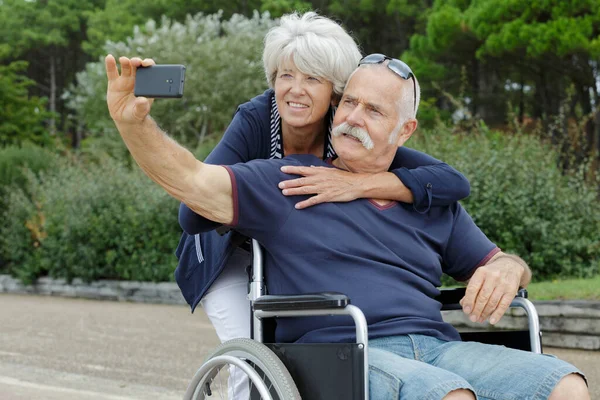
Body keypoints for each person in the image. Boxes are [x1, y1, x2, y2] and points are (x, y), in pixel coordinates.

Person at [105, 51, 589, 399]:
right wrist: (133, 125)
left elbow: (497, 258)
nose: (352, 117)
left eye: (373, 110)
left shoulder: (427, 197)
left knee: (566, 385)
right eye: (350, 102)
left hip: (442, 349)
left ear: (405, 131)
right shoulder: (287, 180)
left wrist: (507, 268)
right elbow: (191, 181)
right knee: (449, 396)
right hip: (347, 350)